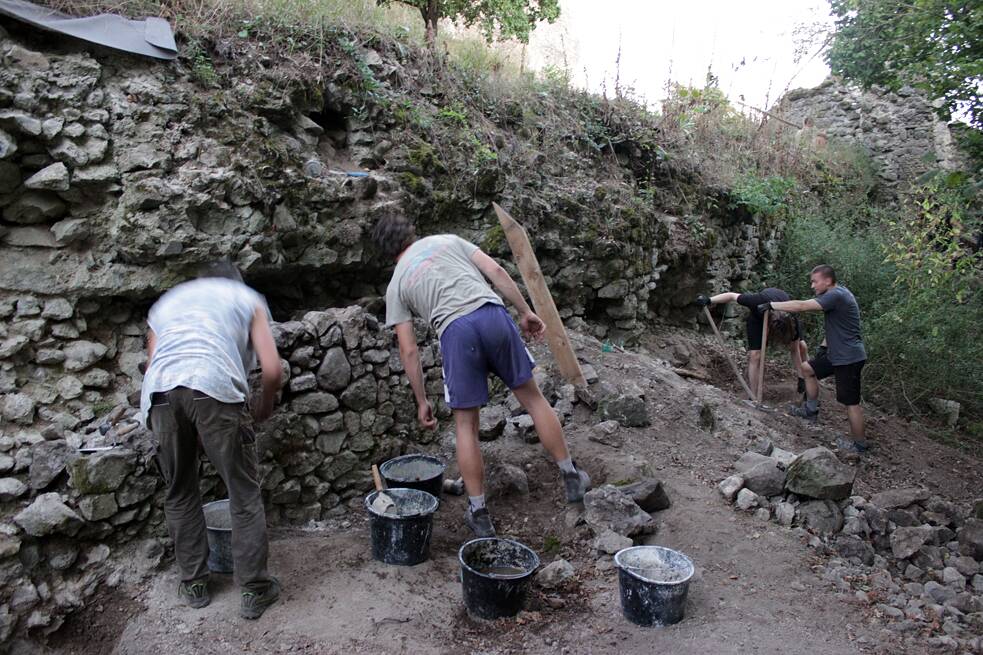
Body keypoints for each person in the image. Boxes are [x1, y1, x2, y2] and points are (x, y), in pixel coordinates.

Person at [373, 214, 591, 538]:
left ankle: (479, 512)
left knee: (466, 425)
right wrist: (525, 311)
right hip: (491, 314)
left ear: (386, 252)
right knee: (533, 399)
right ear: (410, 233)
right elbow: (497, 272)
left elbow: (408, 350)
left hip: (456, 332)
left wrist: (421, 400)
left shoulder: (396, 285)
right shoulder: (448, 240)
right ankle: (570, 474)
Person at [139, 262, 283, 619]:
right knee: (243, 492)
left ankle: (194, 584)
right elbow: (273, 369)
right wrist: (263, 404)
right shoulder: (247, 298)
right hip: (215, 385)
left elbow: (155, 364)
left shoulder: (167, 303)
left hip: (160, 393)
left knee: (180, 489)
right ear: (235, 281)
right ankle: (254, 589)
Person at [757, 265, 868, 454]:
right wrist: (825, 346)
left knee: (851, 403)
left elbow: (802, 306)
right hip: (836, 354)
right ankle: (811, 411)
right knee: (807, 369)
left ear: (828, 281)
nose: (812, 285)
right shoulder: (838, 294)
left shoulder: (836, 295)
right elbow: (838, 324)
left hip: (848, 358)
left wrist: (773, 305)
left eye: (815, 281)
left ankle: (859, 445)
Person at [696, 288, 808, 398]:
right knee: (755, 355)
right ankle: (754, 396)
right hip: (758, 317)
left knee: (800, 346)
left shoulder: (791, 317)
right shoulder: (755, 300)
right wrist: (709, 300)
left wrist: (801, 377)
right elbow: (731, 296)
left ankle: (804, 378)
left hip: (786, 318)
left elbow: (794, 350)